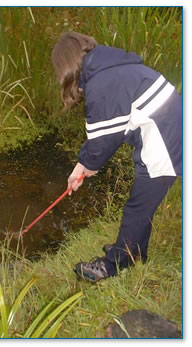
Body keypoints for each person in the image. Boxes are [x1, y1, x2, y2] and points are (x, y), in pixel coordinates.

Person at [51, 32, 182, 283]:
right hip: (171, 130)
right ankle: (134, 254)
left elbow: (101, 144)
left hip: (165, 142)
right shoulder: (110, 67)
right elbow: (105, 137)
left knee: (137, 208)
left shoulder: (101, 83)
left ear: (66, 65)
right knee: (142, 205)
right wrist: (83, 166)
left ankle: (113, 266)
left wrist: (84, 166)